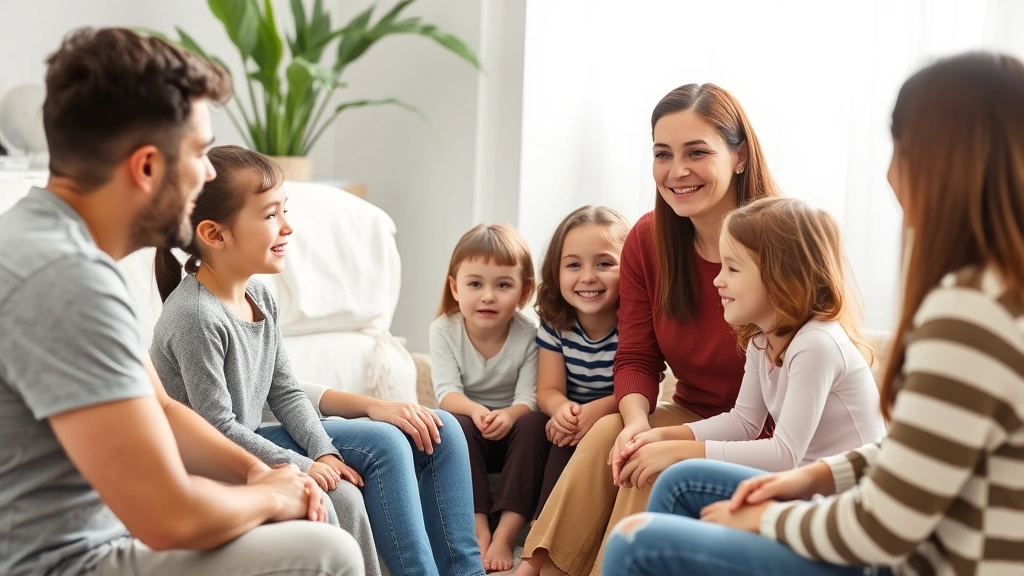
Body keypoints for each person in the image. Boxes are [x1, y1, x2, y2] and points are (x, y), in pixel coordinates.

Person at [603, 51, 1024, 576]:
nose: (891, 174)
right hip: (869, 514)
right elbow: (911, 455)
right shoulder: (987, 297)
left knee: (637, 543)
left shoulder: (969, 316)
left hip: (923, 558)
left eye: (905, 149)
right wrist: (811, 479)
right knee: (676, 483)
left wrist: (769, 520)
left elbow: (888, 524)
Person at [0, 28, 362, 576]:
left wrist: (256, 474)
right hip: (66, 562)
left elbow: (163, 409)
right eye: (198, 152)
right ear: (146, 167)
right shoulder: (66, 281)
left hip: (101, 538)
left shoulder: (47, 244)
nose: (210, 172)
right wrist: (277, 496)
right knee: (326, 550)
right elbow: (169, 517)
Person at [151, 145, 484, 576]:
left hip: (253, 436)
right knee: (378, 452)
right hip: (217, 458)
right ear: (216, 235)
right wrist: (307, 464)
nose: (288, 227)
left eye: (284, 211)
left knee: (444, 430)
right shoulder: (195, 316)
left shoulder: (260, 296)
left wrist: (323, 450)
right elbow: (219, 428)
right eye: (271, 215)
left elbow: (285, 389)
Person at [518, 82, 782, 576]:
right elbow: (637, 357)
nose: (676, 171)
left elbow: (771, 411)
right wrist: (637, 420)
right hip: (690, 409)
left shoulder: (779, 241)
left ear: (740, 156)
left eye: (696, 152)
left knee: (646, 459)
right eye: (663, 154)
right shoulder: (647, 238)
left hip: (758, 432)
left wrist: (656, 439)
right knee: (612, 433)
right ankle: (538, 568)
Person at [613, 197, 886, 488]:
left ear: (781, 275)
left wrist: (679, 452)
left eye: (732, 268)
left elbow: (784, 454)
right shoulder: (761, 340)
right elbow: (744, 422)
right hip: (809, 491)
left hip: (853, 498)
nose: (718, 280)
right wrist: (666, 436)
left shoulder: (816, 344)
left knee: (678, 479)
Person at [429, 224, 547, 572]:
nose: (488, 296)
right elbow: (446, 392)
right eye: (475, 284)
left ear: (524, 292)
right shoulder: (444, 329)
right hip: (472, 425)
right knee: (453, 424)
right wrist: (477, 410)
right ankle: (479, 526)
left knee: (535, 423)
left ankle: (507, 533)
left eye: (503, 285)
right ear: (455, 287)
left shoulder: (529, 335)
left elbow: (531, 396)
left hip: (512, 427)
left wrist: (509, 415)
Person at [531, 206, 630, 519]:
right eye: (573, 265)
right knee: (543, 428)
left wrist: (596, 413)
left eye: (604, 263)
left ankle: (545, 535)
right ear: (556, 272)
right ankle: (533, 526)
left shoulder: (635, 323)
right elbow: (547, 389)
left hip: (618, 413)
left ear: (631, 268)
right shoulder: (555, 321)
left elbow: (643, 389)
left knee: (578, 437)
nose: (588, 277)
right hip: (571, 414)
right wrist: (564, 411)